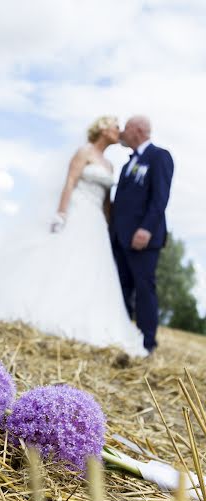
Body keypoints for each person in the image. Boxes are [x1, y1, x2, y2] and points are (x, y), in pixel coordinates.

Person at [0, 116, 147, 357]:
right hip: (76, 211)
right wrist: (62, 213)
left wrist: (109, 226)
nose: (119, 130)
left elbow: (106, 201)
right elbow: (71, 181)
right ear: (103, 129)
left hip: (95, 221)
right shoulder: (84, 152)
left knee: (88, 270)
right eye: (115, 125)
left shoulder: (110, 166)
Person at [110, 116, 174, 353]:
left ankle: (148, 343)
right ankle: (124, 335)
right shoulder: (128, 164)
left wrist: (146, 228)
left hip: (143, 238)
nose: (122, 134)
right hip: (120, 237)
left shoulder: (159, 157)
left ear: (137, 130)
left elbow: (160, 197)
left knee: (144, 287)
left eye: (125, 128)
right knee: (122, 287)